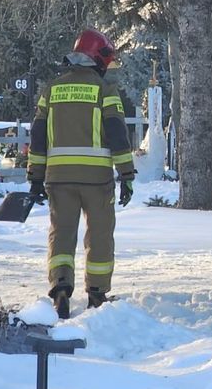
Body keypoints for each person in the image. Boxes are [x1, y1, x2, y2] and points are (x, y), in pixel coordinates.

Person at [28, 29, 136, 318]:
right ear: (96, 59)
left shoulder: (51, 91)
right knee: (99, 235)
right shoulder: (104, 91)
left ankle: (61, 287)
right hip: (97, 180)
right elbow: (117, 134)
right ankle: (97, 294)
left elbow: (38, 138)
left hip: (58, 179)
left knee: (61, 234)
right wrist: (126, 175)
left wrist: (35, 178)